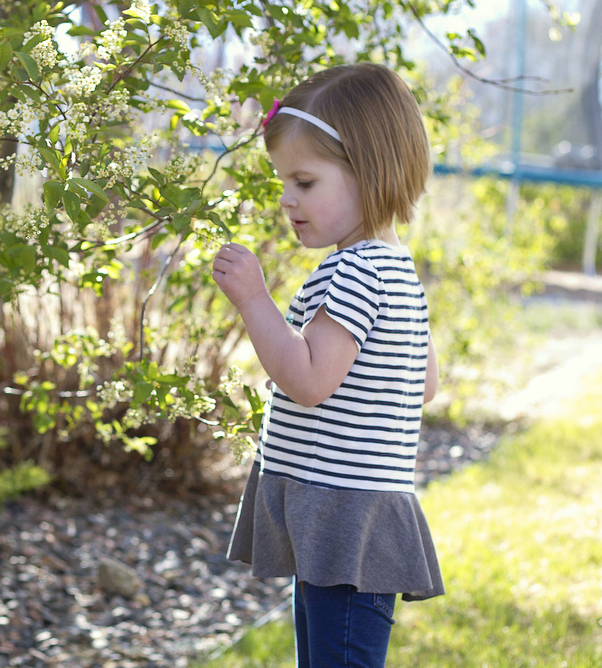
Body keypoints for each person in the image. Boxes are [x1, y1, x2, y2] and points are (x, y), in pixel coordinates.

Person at [211, 62, 444, 668]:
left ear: (370, 174)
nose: (288, 199)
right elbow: (424, 383)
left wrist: (254, 301)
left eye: (305, 182)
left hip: (344, 518)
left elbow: (310, 381)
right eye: (283, 182)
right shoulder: (395, 268)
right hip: (345, 520)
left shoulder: (356, 271)